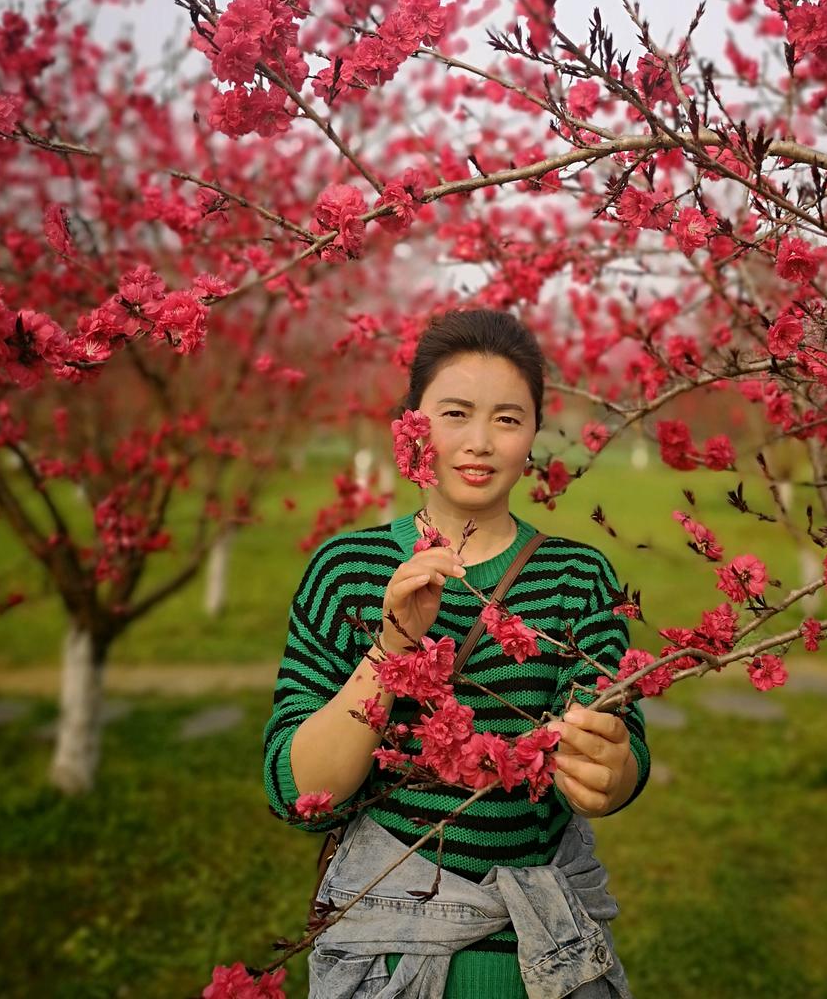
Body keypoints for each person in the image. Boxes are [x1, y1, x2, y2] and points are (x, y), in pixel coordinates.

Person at [263, 307, 650, 997]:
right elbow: (299, 796)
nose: (479, 442)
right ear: (412, 424)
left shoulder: (577, 577)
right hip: (387, 953)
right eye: (454, 414)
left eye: (508, 419)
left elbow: (620, 762)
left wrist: (609, 767)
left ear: (532, 435)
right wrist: (392, 648)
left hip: (547, 950)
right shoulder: (346, 568)